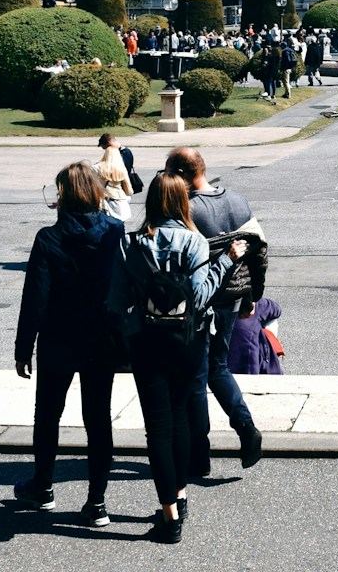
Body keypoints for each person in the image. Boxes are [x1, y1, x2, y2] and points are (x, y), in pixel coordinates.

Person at [14, 163, 124, 526]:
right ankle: (97, 501)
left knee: (47, 415)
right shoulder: (115, 231)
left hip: (58, 337)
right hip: (100, 336)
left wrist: (23, 345)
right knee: (97, 419)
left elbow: (36, 297)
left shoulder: (48, 238)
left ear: (64, 195)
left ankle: (43, 485)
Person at [110, 174, 217, 544]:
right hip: (188, 340)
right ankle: (181, 495)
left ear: (152, 202)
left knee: (156, 426)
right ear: (183, 202)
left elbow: (115, 301)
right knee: (181, 416)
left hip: (147, 341)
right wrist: (224, 266)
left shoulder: (129, 244)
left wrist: (131, 327)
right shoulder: (195, 242)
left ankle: (169, 516)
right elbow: (201, 295)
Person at [163, 147, 266, 478]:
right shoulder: (238, 200)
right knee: (218, 367)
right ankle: (246, 427)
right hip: (235, 297)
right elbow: (256, 251)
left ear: (180, 175)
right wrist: (251, 296)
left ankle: (199, 453)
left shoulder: (188, 209)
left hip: (203, 301)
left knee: (196, 376)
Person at [229, 297, 284, 375]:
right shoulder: (254, 304)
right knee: (271, 322)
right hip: (250, 370)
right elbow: (277, 310)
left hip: (215, 368)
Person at [94, 133, 135, 223]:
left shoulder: (98, 167)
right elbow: (129, 190)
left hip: (106, 200)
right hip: (119, 199)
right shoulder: (122, 164)